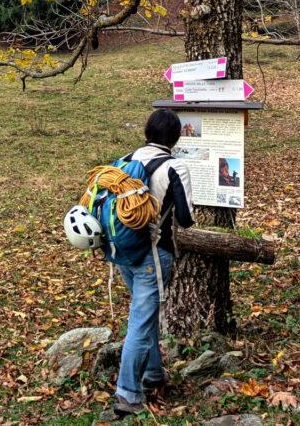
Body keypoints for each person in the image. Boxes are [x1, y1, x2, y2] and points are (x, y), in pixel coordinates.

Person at [111, 108, 195, 418]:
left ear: (147, 131)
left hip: (122, 252)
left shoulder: (125, 160)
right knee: (140, 322)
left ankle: (154, 375)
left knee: (146, 317)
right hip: (154, 255)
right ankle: (127, 393)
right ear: (175, 137)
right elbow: (186, 220)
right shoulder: (175, 167)